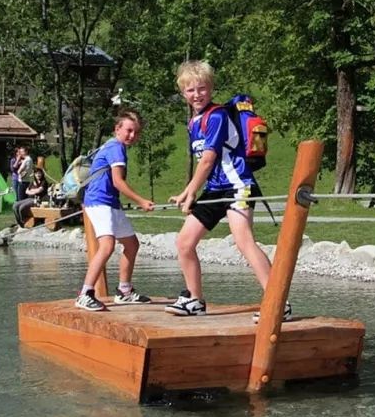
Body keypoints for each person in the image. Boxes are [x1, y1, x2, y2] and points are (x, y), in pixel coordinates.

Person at [166, 60, 279, 319]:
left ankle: (276, 303)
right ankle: (195, 300)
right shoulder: (194, 122)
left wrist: (190, 192)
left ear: (211, 88)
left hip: (238, 185)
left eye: (202, 88)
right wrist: (188, 191)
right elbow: (204, 163)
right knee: (184, 242)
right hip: (215, 189)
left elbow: (208, 159)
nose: (197, 94)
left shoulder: (216, 116)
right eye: (191, 90)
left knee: (244, 242)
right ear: (183, 92)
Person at [76, 111, 156, 311]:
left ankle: (124, 291)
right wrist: (142, 201)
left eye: (136, 133)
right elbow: (118, 182)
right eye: (129, 130)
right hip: (99, 201)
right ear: (117, 129)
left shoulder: (114, 146)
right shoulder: (116, 148)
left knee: (131, 244)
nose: (132, 136)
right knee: (107, 245)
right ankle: (85, 293)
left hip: (110, 202)